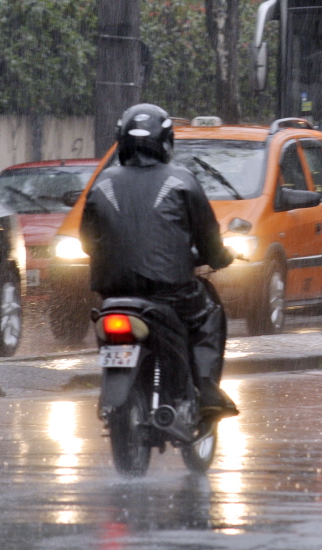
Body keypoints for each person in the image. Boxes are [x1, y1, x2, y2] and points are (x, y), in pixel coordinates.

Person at [81, 103, 239, 421]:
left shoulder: (101, 183)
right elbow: (209, 241)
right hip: (170, 293)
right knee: (208, 313)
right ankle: (206, 387)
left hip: (112, 294)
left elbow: (87, 239)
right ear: (167, 142)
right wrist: (220, 258)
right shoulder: (182, 181)